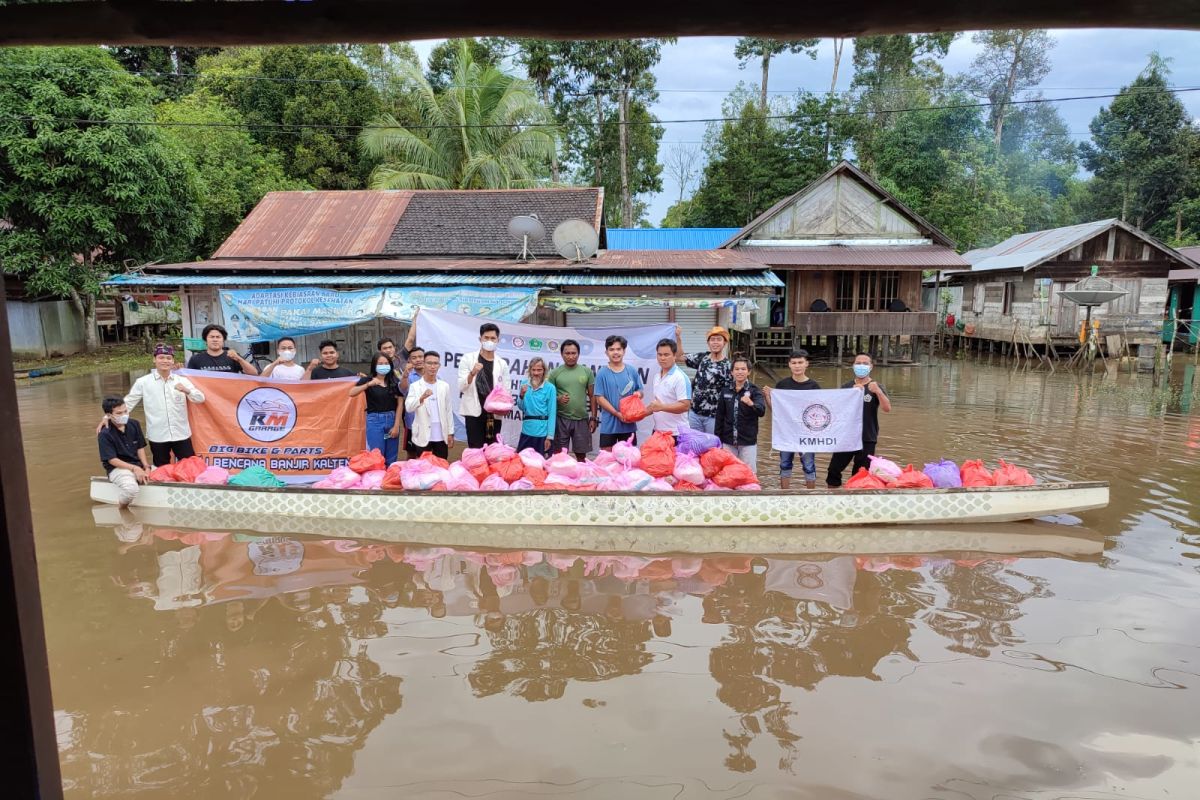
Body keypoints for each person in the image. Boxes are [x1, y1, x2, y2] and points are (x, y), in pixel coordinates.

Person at [123, 344, 206, 466]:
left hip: (181, 433)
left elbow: (200, 398)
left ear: (173, 361)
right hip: (157, 434)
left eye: (168, 358)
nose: (165, 361)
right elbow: (128, 403)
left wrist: (187, 390)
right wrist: (108, 417)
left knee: (189, 466)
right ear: (154, 359)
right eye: (161, 357)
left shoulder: (181, 380)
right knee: (161, 468)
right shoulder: (143, 382)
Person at [826, 353, 892, 488]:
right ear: (853, 366)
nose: (861, 366)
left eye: (865, 363)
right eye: (858, 363)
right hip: (846, 437)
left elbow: (887, 409)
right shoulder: (846, 386)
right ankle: (832, 497)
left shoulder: (876, 386)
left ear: (871, 366)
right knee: (833, 470)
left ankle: (854, 501)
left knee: (860, 474)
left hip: (867, 436)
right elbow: (836, 410)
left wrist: (878, 391)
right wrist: (851, 393)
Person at [764, 350, 821, 490]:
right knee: (784, 464)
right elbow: (777, 412)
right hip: (786, 433)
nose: (797, 366)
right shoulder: (782, 385)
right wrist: (768, 397)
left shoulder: (814, 387)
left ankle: (811, 495)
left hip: (807, 434)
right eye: (794, 363)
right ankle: (784, 494)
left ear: (807, 364)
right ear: (789, 365)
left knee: (809, 466)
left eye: (800, 362)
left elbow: (819, 412)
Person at [457, 322, 509, 448]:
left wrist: (505, 406)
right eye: (486, 338)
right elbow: (461, 386)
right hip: (474, 413)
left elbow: (506, 390)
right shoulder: (468, 359)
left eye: (493, 338)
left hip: (494, 414)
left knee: (493, 450)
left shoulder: (502, 363)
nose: (489, 341)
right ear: (480, 339)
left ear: (498, 340)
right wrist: (473, 372)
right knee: (476, 450)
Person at [348, 351, 403, 466]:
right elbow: (351, 392)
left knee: (391, 456)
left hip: (391, 420)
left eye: (386, 363)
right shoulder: (367, 380)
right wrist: (368, 385)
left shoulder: (394, 381)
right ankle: (377, 481)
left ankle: (388, 481)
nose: (383, 366)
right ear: (374, 365)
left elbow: (400, 403)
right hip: (375, 421)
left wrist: (396, 425)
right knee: (377, 455)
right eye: (380, 364)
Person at [675, 325, 731, 434]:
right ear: (708, 342)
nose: (715, 342)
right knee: (694, 446)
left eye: (719, 339)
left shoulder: (728, 366)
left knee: (711, 447)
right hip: (694, 413)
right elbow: (679, 357)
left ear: (724, 343)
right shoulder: (702, 358)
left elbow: (731, 393)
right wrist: (678, 337)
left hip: (714, 417)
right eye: (712, 339)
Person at [714, 355, 765, 472]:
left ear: (749, 372)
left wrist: (751, 404)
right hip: (728, 441)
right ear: (732, 372)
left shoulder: (754, 390)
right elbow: (720, 417)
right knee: (727, 473)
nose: (740, 372)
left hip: (747, 442)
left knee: (749, 474)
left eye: (743, 369)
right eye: (736, 369)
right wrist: (718, 440)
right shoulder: (725, 391)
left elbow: (761, 411)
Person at [592, 334, 644, 450]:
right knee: (607, 460)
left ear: (624, 351)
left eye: (618, 349)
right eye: (611, 349)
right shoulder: (602, 373)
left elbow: (640, 390)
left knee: (628, 459)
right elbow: (599, 398)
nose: (615, 352)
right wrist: (616, 413)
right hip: (608, 425)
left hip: (629, 424)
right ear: (606, 352)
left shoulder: (631, 371)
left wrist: (638, 394)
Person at [98, 397, 151, 508]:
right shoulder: (104, 433)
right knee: (132, 489)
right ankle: (122, 510)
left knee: (164, 473)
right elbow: (112, 460)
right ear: (109, 415)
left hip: (138, 465)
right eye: (119, 413)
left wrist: (146, 467)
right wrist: (134, 469)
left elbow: (140, 447)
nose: (124, 415)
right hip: (117, 469)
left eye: (125, 411)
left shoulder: (134, 424)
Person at [546, 339, 594, 461]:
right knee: (560, 456)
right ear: (562, 354)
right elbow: (547, 397)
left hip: (582, 419)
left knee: (581, 456)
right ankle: (560, 479)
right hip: (561, 419)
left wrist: (593, 417)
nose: (571, 356)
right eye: (567, 353)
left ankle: (582, 479)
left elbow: (593, 396)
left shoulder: (587, 371)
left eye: (574, 353)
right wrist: (558, 398)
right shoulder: (555, 373)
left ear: (579, 354)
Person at [406, 350, 454, 459]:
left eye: (435, 363)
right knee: (424, 467)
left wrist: (450, 432)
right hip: (423, 433)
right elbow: (408, 407)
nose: (433, 366)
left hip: (441, 434)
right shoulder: (415, 386)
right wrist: (421, 398)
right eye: (429, 363)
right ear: (423, 364)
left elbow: (448, 410)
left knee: (441, 466)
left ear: (439, 366)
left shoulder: (444, 386)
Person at [647, 338, 692, 436]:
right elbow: (657, 405)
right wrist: (637, 415)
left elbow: (685, 405)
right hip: (658, 432)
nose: (662, 358)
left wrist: (661, 407)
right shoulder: (657, 376)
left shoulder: (680, 377)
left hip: (677, 434)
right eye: (660, 354)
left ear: (674, 356)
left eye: (666, 355)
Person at [516, 357, 557, 458]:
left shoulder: (550, 388)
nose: (536, 373)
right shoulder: (524, 384)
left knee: (541, 464)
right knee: (522, 461)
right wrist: (521, 395)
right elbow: (522, 407)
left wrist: (549, 437)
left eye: (539, 370)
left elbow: (552, 413)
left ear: (544, 371)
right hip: (527, 430)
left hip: (542, 433)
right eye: (533, 370)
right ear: (529, 370)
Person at [186, 324, 259, 375]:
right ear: (205, 340)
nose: (215, 340)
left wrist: (239, 359)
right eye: (212, 337)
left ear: (223, 340)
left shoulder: (233, 357)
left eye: (218, 337)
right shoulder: (196, 359)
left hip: (228, 396)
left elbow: (254, 373)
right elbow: (189, 380)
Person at [400, 345, 425, 459]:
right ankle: (410, 475)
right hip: (412, 422)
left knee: (427, 453)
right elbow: (403, 389)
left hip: (429, 422)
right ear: (409, 360)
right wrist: (405, 376)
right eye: (414, 358)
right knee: (411, 453)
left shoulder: (434, 376)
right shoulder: (408, 377)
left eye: (421, 356)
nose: (418, 359)